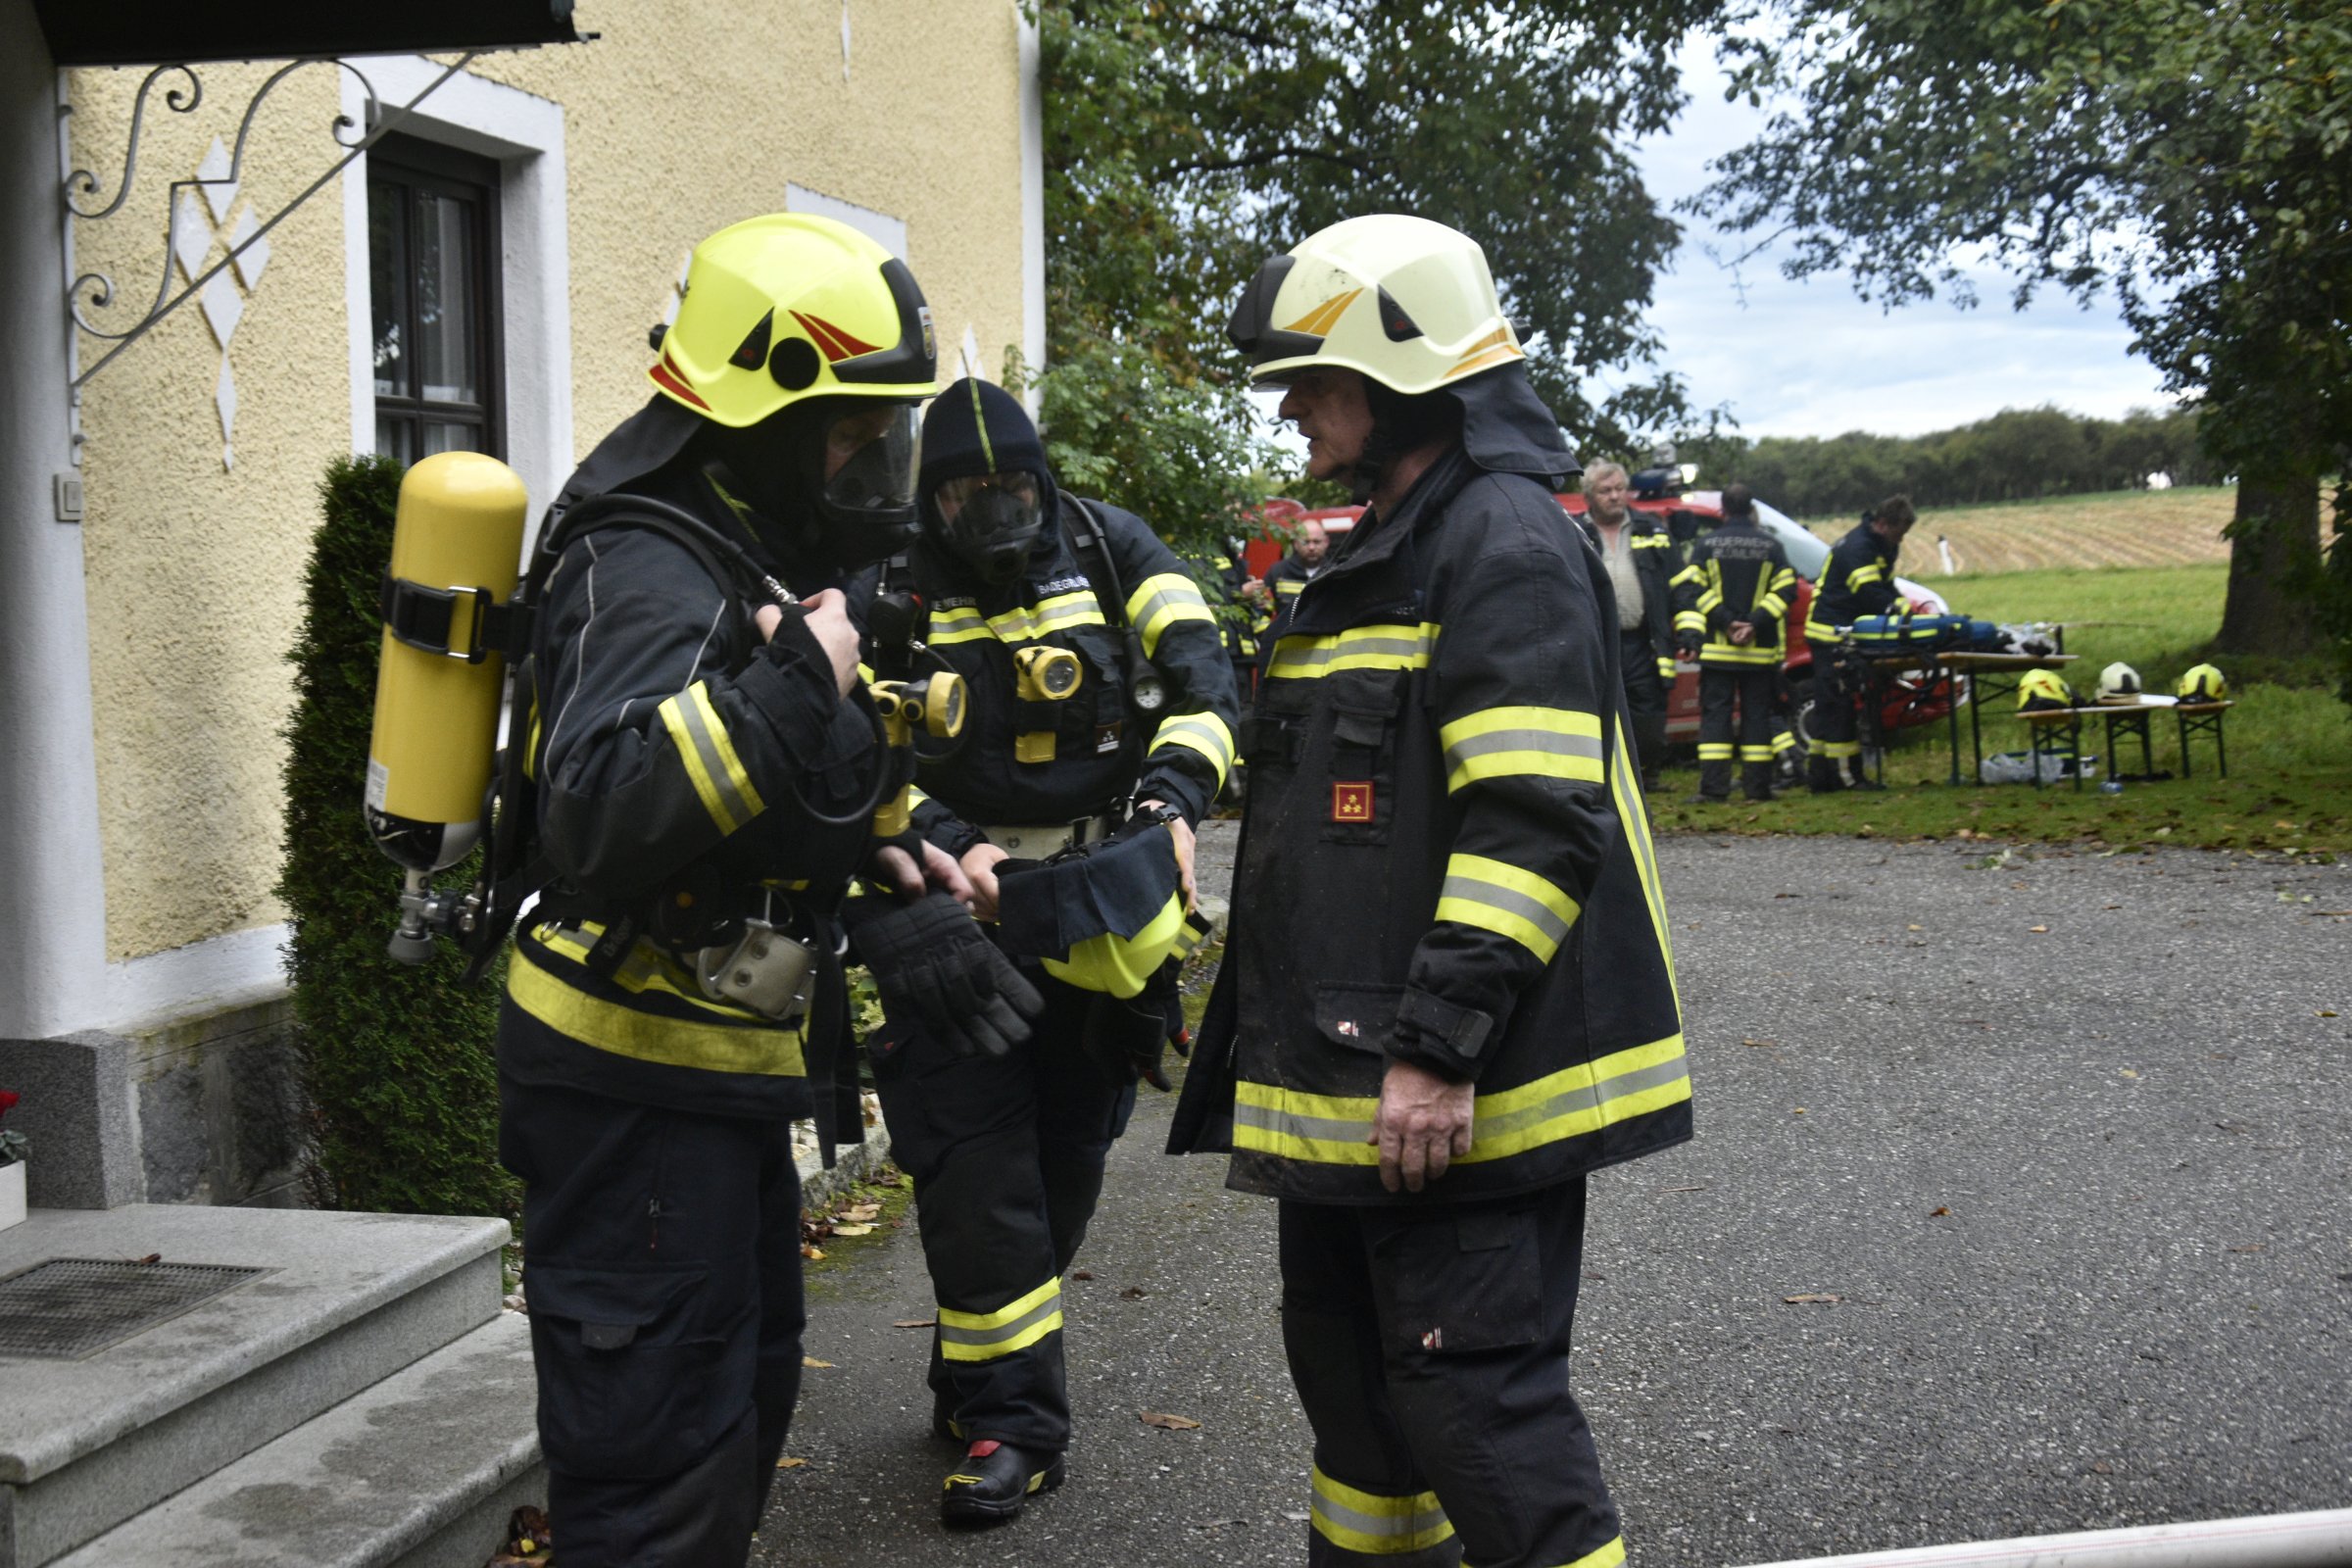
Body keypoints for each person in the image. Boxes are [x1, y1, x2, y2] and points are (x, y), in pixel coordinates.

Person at [492, 214, 1035, 1568]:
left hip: (711, 1083)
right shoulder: (650, 559)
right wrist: (805, 678)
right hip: (629, 1093)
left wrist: (903, 857)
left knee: (736, 1425)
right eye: (855, 435)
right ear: (766, 411)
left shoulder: (745, 546)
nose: (877, 468)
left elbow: (784, 786)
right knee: (654, 1480)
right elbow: (605, 809)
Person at [1175, 214, 1691, 1568]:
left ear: (1399, 367)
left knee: (1476, 1408)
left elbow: (1533, 824)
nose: (1290, 406)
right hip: (1359, 1083)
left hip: (1444, 1088)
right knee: (1362, 1412)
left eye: (1311, 375)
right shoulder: (1393, 542)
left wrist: (1438, 1049)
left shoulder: (1501, 543)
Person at [865, 377, 1241, 1524]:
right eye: (970, 492)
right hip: (956, 923)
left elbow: (1208, 687)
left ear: (1045, 481)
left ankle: (975, 1374)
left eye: (1015, 487)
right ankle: (1014, 1430)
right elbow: (843, 748)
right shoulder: (887, 585)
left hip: (1102, 918)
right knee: (983, 1184)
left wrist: (1171, 800)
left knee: (1066, 1169)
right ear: (932, 498)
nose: (999, 512)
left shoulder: (1113, 547)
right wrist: (942, 843)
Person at [1672, 482, 1797, 804]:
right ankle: (1758, 788)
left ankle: (1714, 789)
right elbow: (1787, 590)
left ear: (1723, 510)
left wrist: (1727, 622)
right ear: (1750, 507)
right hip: (1758, 652)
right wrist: (1753, 624)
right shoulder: (1771, 546)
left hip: (1717, 652)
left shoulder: (1706, 545)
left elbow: (1691, 590)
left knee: (1716, 718)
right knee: (1756, 717)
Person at [1574, 458, 1681, 791]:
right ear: (1590, 495)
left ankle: (1647, 774)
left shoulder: (1652, 529)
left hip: (1642, 640)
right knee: (1597, 707)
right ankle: (1603, 777)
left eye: (1620, 489)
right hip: (1596, 640)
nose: (1615, 496)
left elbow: (1681, 582)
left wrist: (1688, 630)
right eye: (1606, 491)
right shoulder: (1574, 531)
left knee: (1647, 707)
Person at [1803, 495, 1916, 792]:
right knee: (1839, 708)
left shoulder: (1879, 544)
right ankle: (1847, 778)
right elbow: (1869, 593)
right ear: (1883, 524)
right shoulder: (1858, 547)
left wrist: (1901, 606)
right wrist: (1898, 612)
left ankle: (1820, 777)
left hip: (1838, 634)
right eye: (1898, 533)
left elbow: (1886, 586)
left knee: (1829, 707)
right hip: (1833, 636)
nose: (1900, 539)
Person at [1261, 515, 1330, 635]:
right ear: (1295, 543)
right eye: (1306, 542)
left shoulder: (1334, 572)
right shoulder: (1278, 572)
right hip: (1286, 644)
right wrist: (1269, 639)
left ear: (1326, 542)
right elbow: (1262, 612)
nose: (1311, 547)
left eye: (1316, 542)